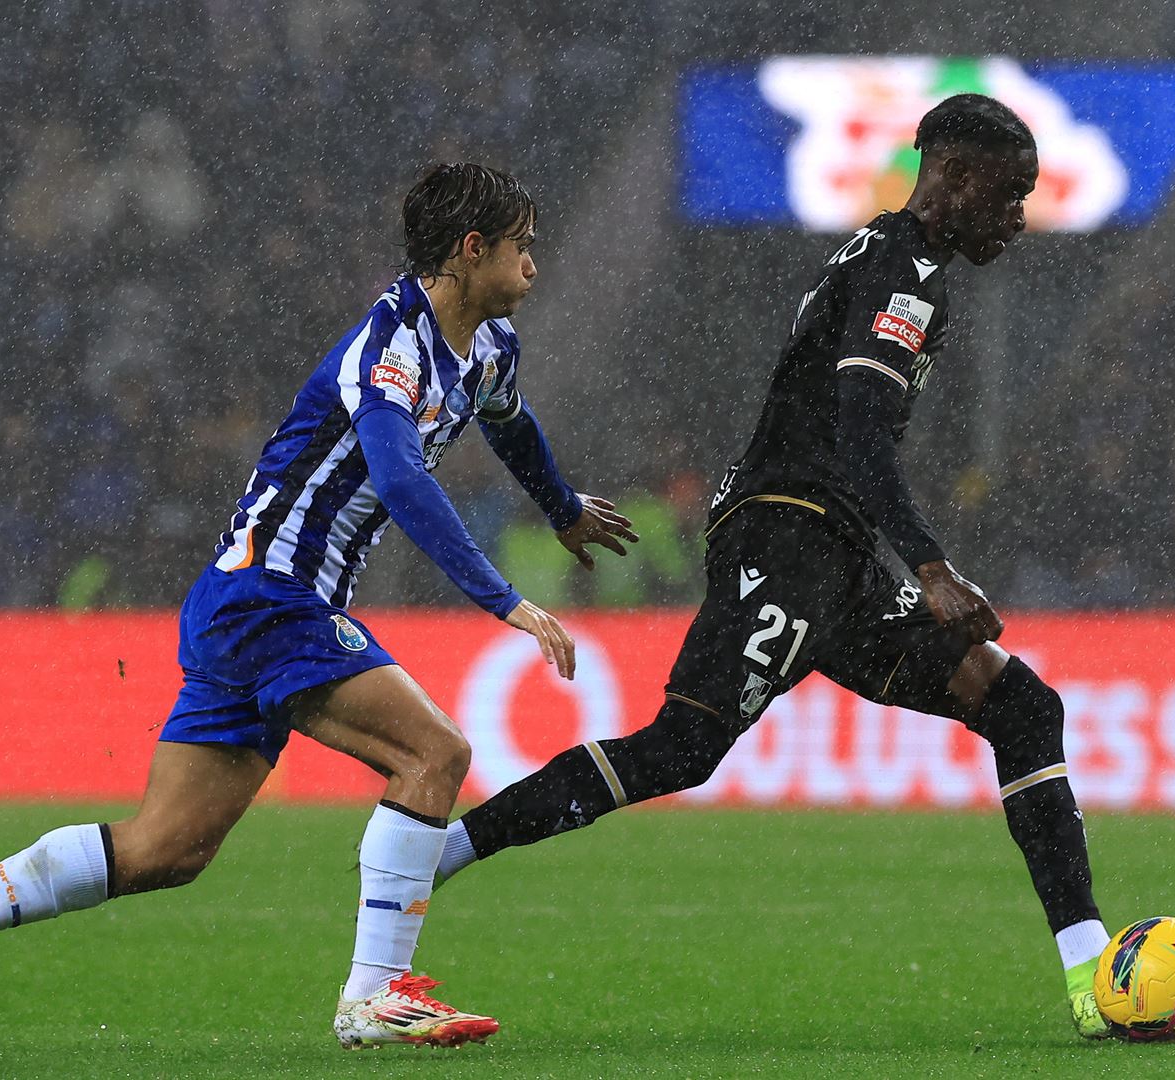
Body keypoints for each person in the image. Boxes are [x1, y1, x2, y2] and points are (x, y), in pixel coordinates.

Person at [0, 163, 638, 1049]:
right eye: (522, 247)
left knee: (168, 849)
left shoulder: (491, 345)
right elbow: (398, 474)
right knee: (435, 753)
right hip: (275, 594)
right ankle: (375, 995)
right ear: (472, 252)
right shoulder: (387, 349)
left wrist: (562, 506)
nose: (534, 264)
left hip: (246, 603)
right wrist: (505, 601)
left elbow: (510, 421)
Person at [436, 96, 1119, 1038]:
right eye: (1009, 194)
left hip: (833, 555)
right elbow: (859, 430)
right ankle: (431, 856)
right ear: (956, 176)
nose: (1017, 216)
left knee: (1021, 706)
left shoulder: (881, 256)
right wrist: (931, 566)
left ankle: (1095, 982)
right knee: (680, 747)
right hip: (788, 538)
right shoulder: (905, 271)